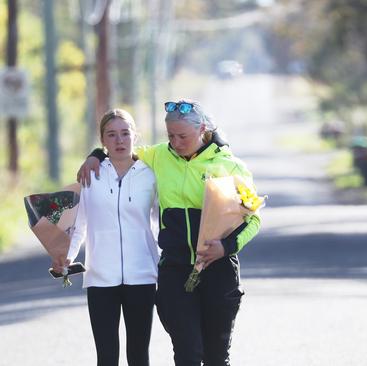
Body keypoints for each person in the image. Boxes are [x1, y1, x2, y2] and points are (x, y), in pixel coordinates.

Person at [78, 100, 261, 366]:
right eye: (170, 136)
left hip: (219, 271)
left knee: (216, 357)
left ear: (202, 130)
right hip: (176, 272)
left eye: (182, 136)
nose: (175, 142)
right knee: (187, 354)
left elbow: (253, 219)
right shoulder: (159, 156)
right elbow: (121, 150)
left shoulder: (231, 166)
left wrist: (228, 246)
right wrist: (95, 154)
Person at [53, 109, 159, 366]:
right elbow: (79, 226)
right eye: (111, 135)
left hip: (142, 276)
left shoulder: (152, 174)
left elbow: (164, 222)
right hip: (100, 278)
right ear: (102, 140)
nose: (119, 140)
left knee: (139, 355)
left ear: (135, 136)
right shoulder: (90, 176)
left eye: (125, 134)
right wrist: (66, 258)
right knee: (107, 357)